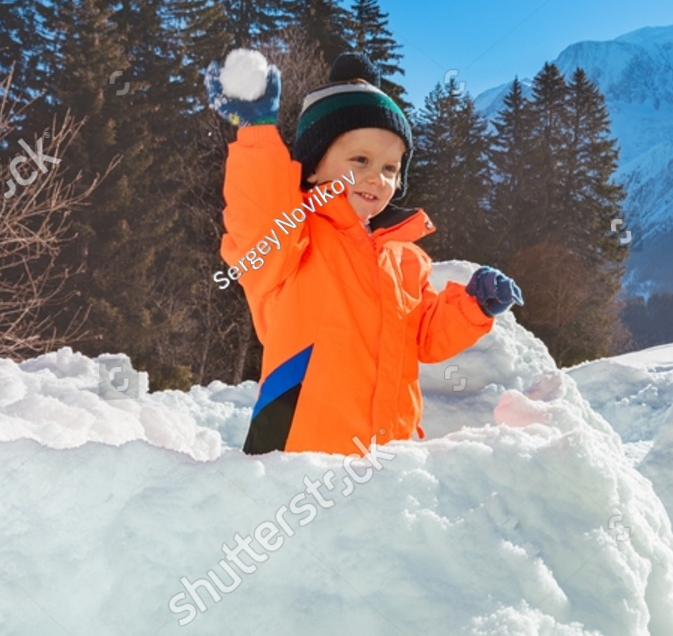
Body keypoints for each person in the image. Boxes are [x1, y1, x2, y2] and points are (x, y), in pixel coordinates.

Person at [208, 48, 522, 455]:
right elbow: (258, 218)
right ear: (315, 166)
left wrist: (473, 307)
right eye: (360, 159)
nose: (376, 177)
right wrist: (257, 134)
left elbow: (424, 335)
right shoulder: (295, 239)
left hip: (388, 463)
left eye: (391, 168)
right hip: (296, 458)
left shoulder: (405, 259)